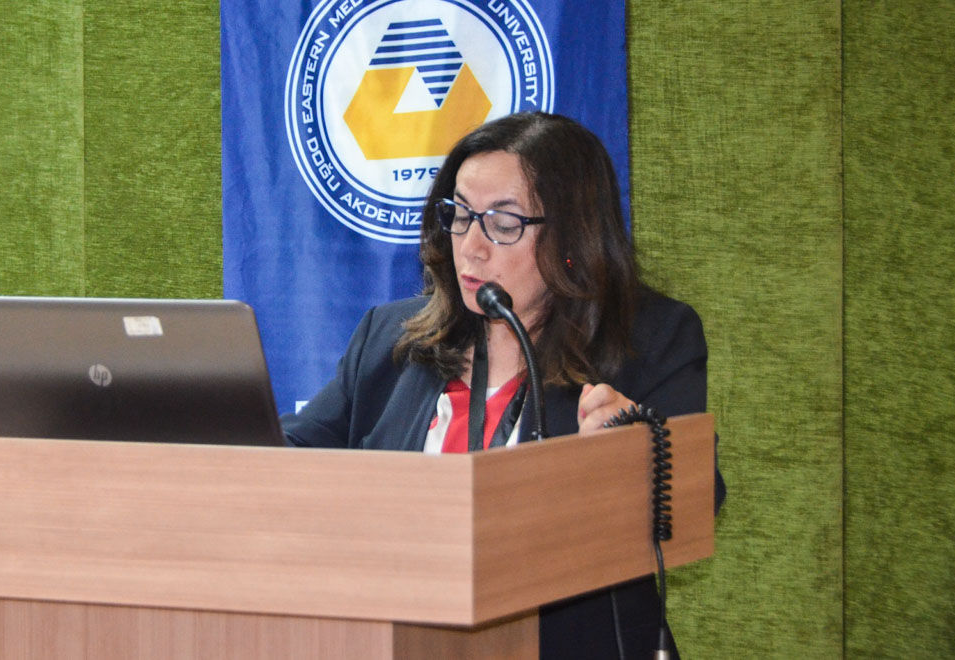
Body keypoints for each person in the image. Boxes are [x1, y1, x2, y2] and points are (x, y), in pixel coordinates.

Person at [282, 111, 725, 659]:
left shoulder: (650, 340)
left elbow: (696, 501)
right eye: (461, 214)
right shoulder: (390, 338)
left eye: (504, 223)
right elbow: (290, 453)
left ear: (572, 237)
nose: (472, 246)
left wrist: (628, 456)